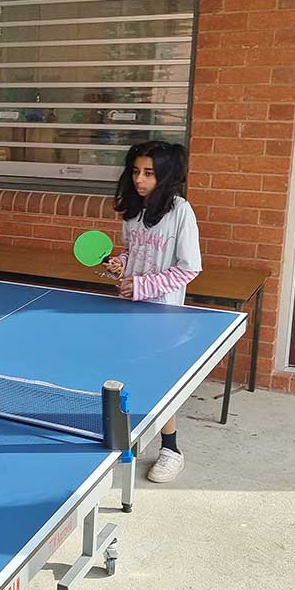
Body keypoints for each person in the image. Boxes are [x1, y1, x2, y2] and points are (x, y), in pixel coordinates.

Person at [104, 141, 203, 483]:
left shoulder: (180, 212)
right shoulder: (135, 211)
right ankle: (129, 437)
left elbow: (189, 268)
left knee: (162, 383)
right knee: (128, 375)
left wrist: (144, 286)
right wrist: (121, 263)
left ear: (165, 176)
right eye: (135, 172)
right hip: (130, 311)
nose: (139, 180)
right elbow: (134, 252)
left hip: (162, 315)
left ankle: (171, 449)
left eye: (148, 173)